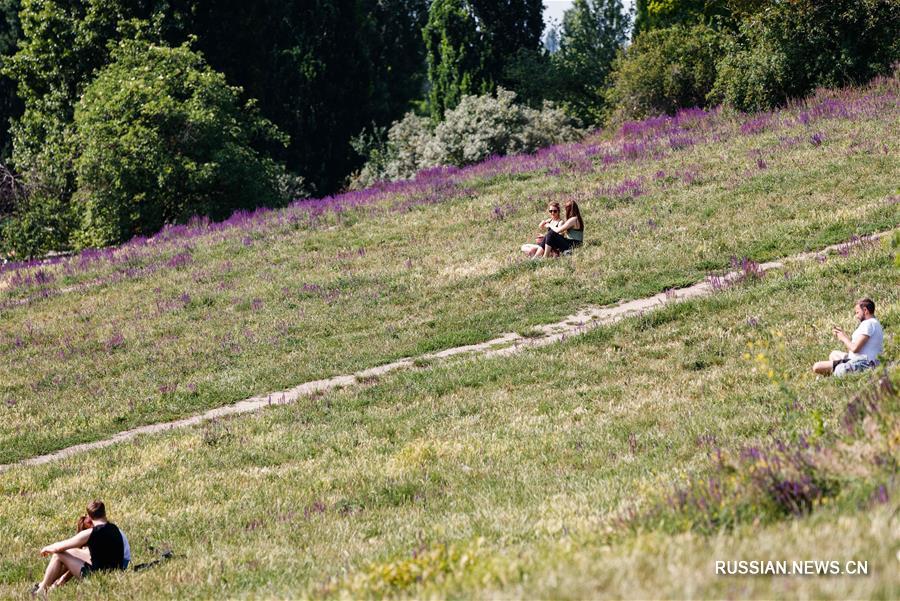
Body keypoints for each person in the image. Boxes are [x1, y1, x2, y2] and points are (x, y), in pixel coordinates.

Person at [32, 501, 127, 596]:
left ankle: (41, 590)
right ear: (104, 513)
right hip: (114, 575)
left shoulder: (90, 533)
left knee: (58, 555)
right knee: (69, 552)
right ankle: (49, 585)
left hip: (95, 577)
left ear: (90, 517)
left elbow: (60, 547)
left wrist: (47, 548)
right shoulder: (116, 530)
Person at [812, 298, 883, 377]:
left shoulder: (869, 324)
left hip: (863, 361)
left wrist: (843, 337)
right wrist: (842, 335)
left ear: (865, 310)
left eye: (857, 312)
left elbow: (855, 349)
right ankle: (837, 370)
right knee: (834, 354)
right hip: (860, 358)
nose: (856, 316)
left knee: (817, 367)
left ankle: (838, 372)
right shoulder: (875, 323)